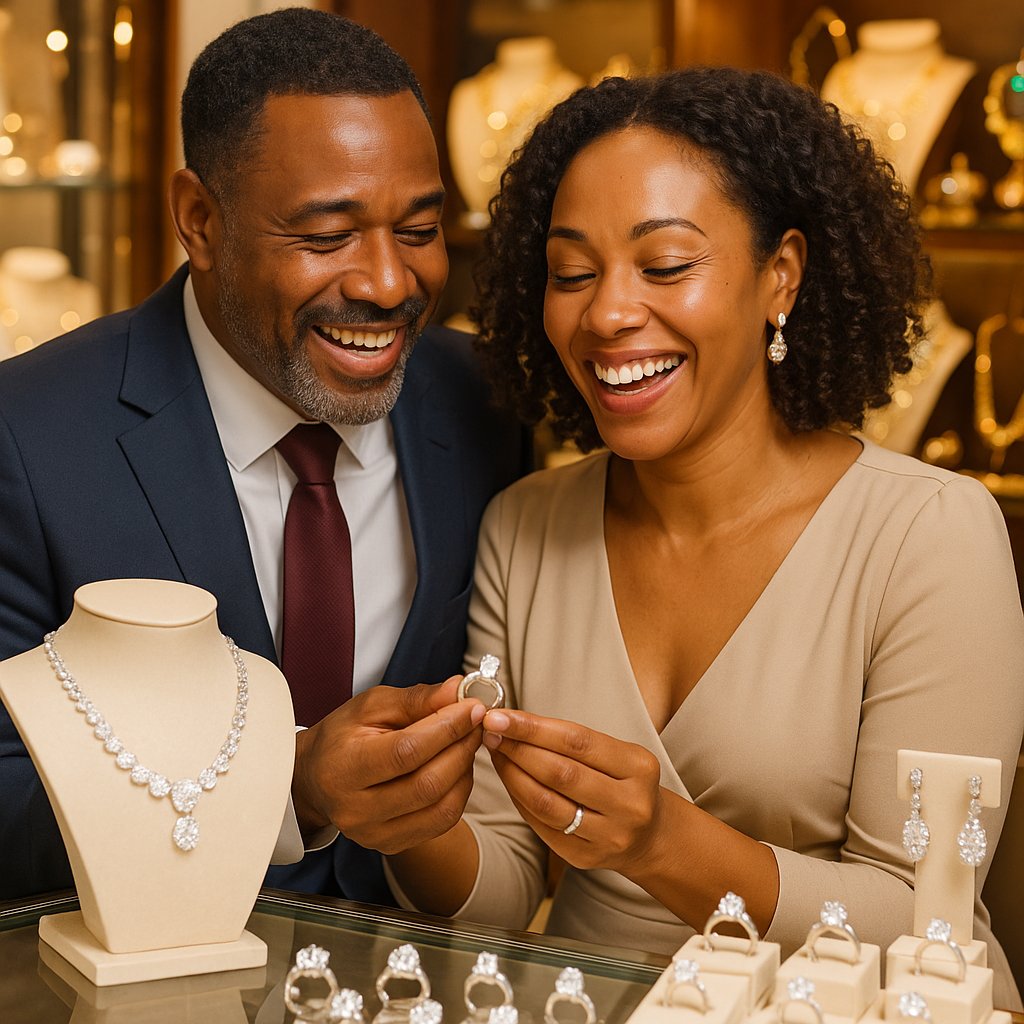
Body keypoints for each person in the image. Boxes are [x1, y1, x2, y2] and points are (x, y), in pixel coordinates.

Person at [386, 67, 1024, 1009]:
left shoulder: (929, 533)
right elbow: (499, 895)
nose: (607, 313)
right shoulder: (526, 527)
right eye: (571, 273)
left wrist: (660, 842)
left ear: (782, 277)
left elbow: (921, 920)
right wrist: (407, 816)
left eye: (667, 265)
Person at [0, 8, 527, 903]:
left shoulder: (481, 402)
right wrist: (283, 787)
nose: (389, 283)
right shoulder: (26, 436)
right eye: (327, 236)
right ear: (199, 219)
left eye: (418, 229)